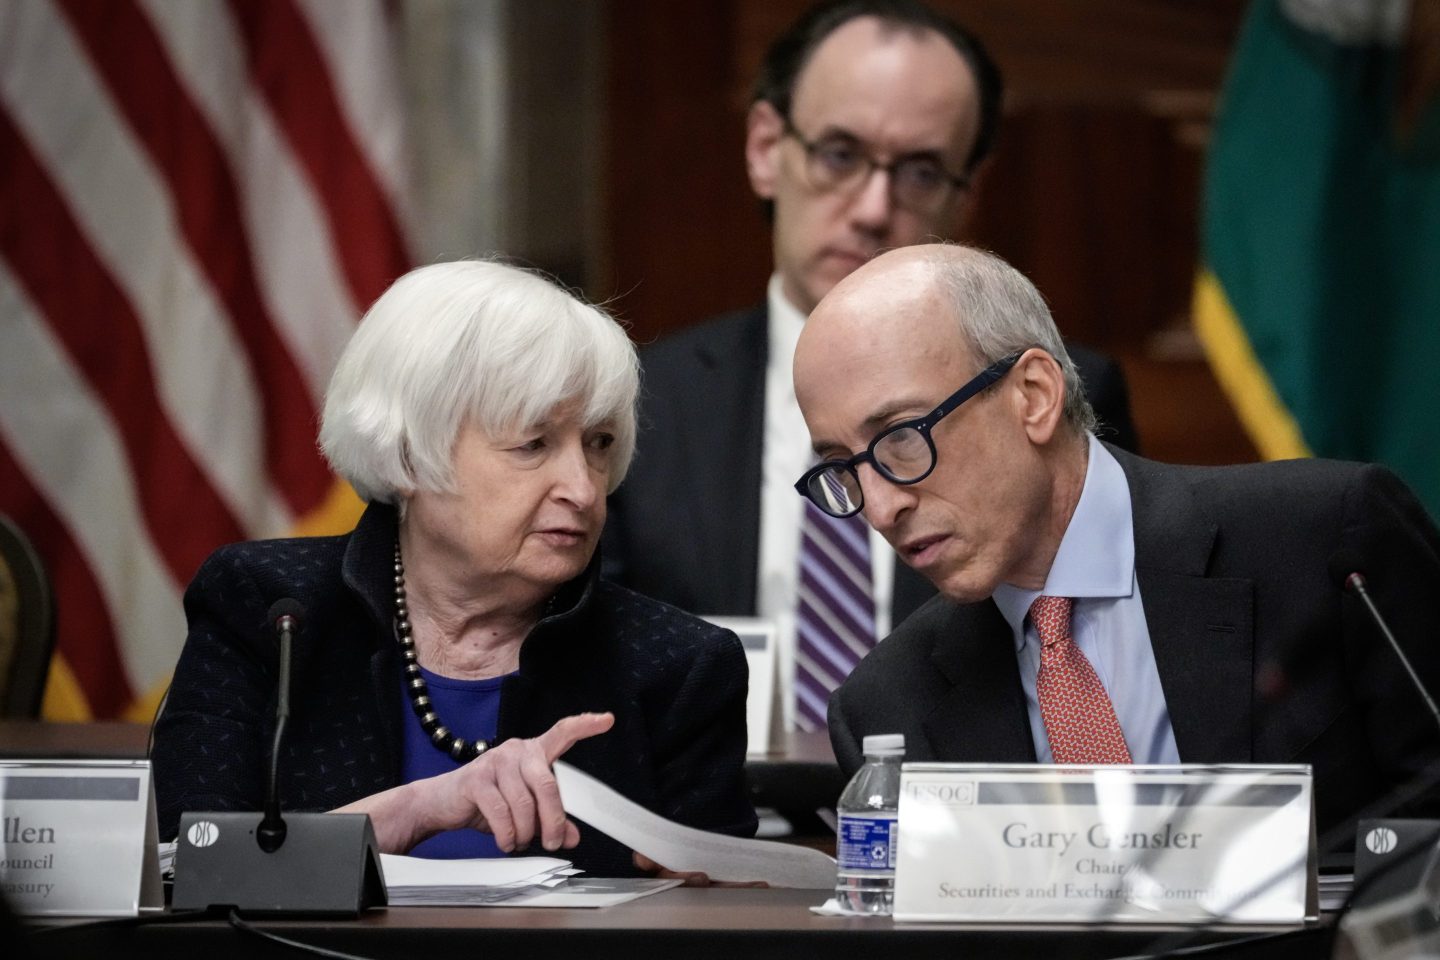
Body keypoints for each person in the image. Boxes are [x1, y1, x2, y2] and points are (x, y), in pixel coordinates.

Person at [603, 0, 1138, 732]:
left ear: (967, 192)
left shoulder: (1048, 391)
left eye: (921, 171)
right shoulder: (640, 401)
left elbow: (1091, 655)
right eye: (839, 155)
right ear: (765, 148)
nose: (873, 208)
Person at [797, 242, 1440, 837]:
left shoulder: (1326, 542)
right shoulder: (886, 708)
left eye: (902, 438)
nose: (879, 508)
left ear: (1034, 396)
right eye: (841, 467)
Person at [151, 260, 757, 876]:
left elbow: (725, 921)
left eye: (598, 443)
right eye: (533, 444)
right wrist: (414, 812)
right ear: (410, 455)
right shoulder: (269, 611)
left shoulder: (677, 665)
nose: (583, 488)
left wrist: (692, 897)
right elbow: (187, 866)